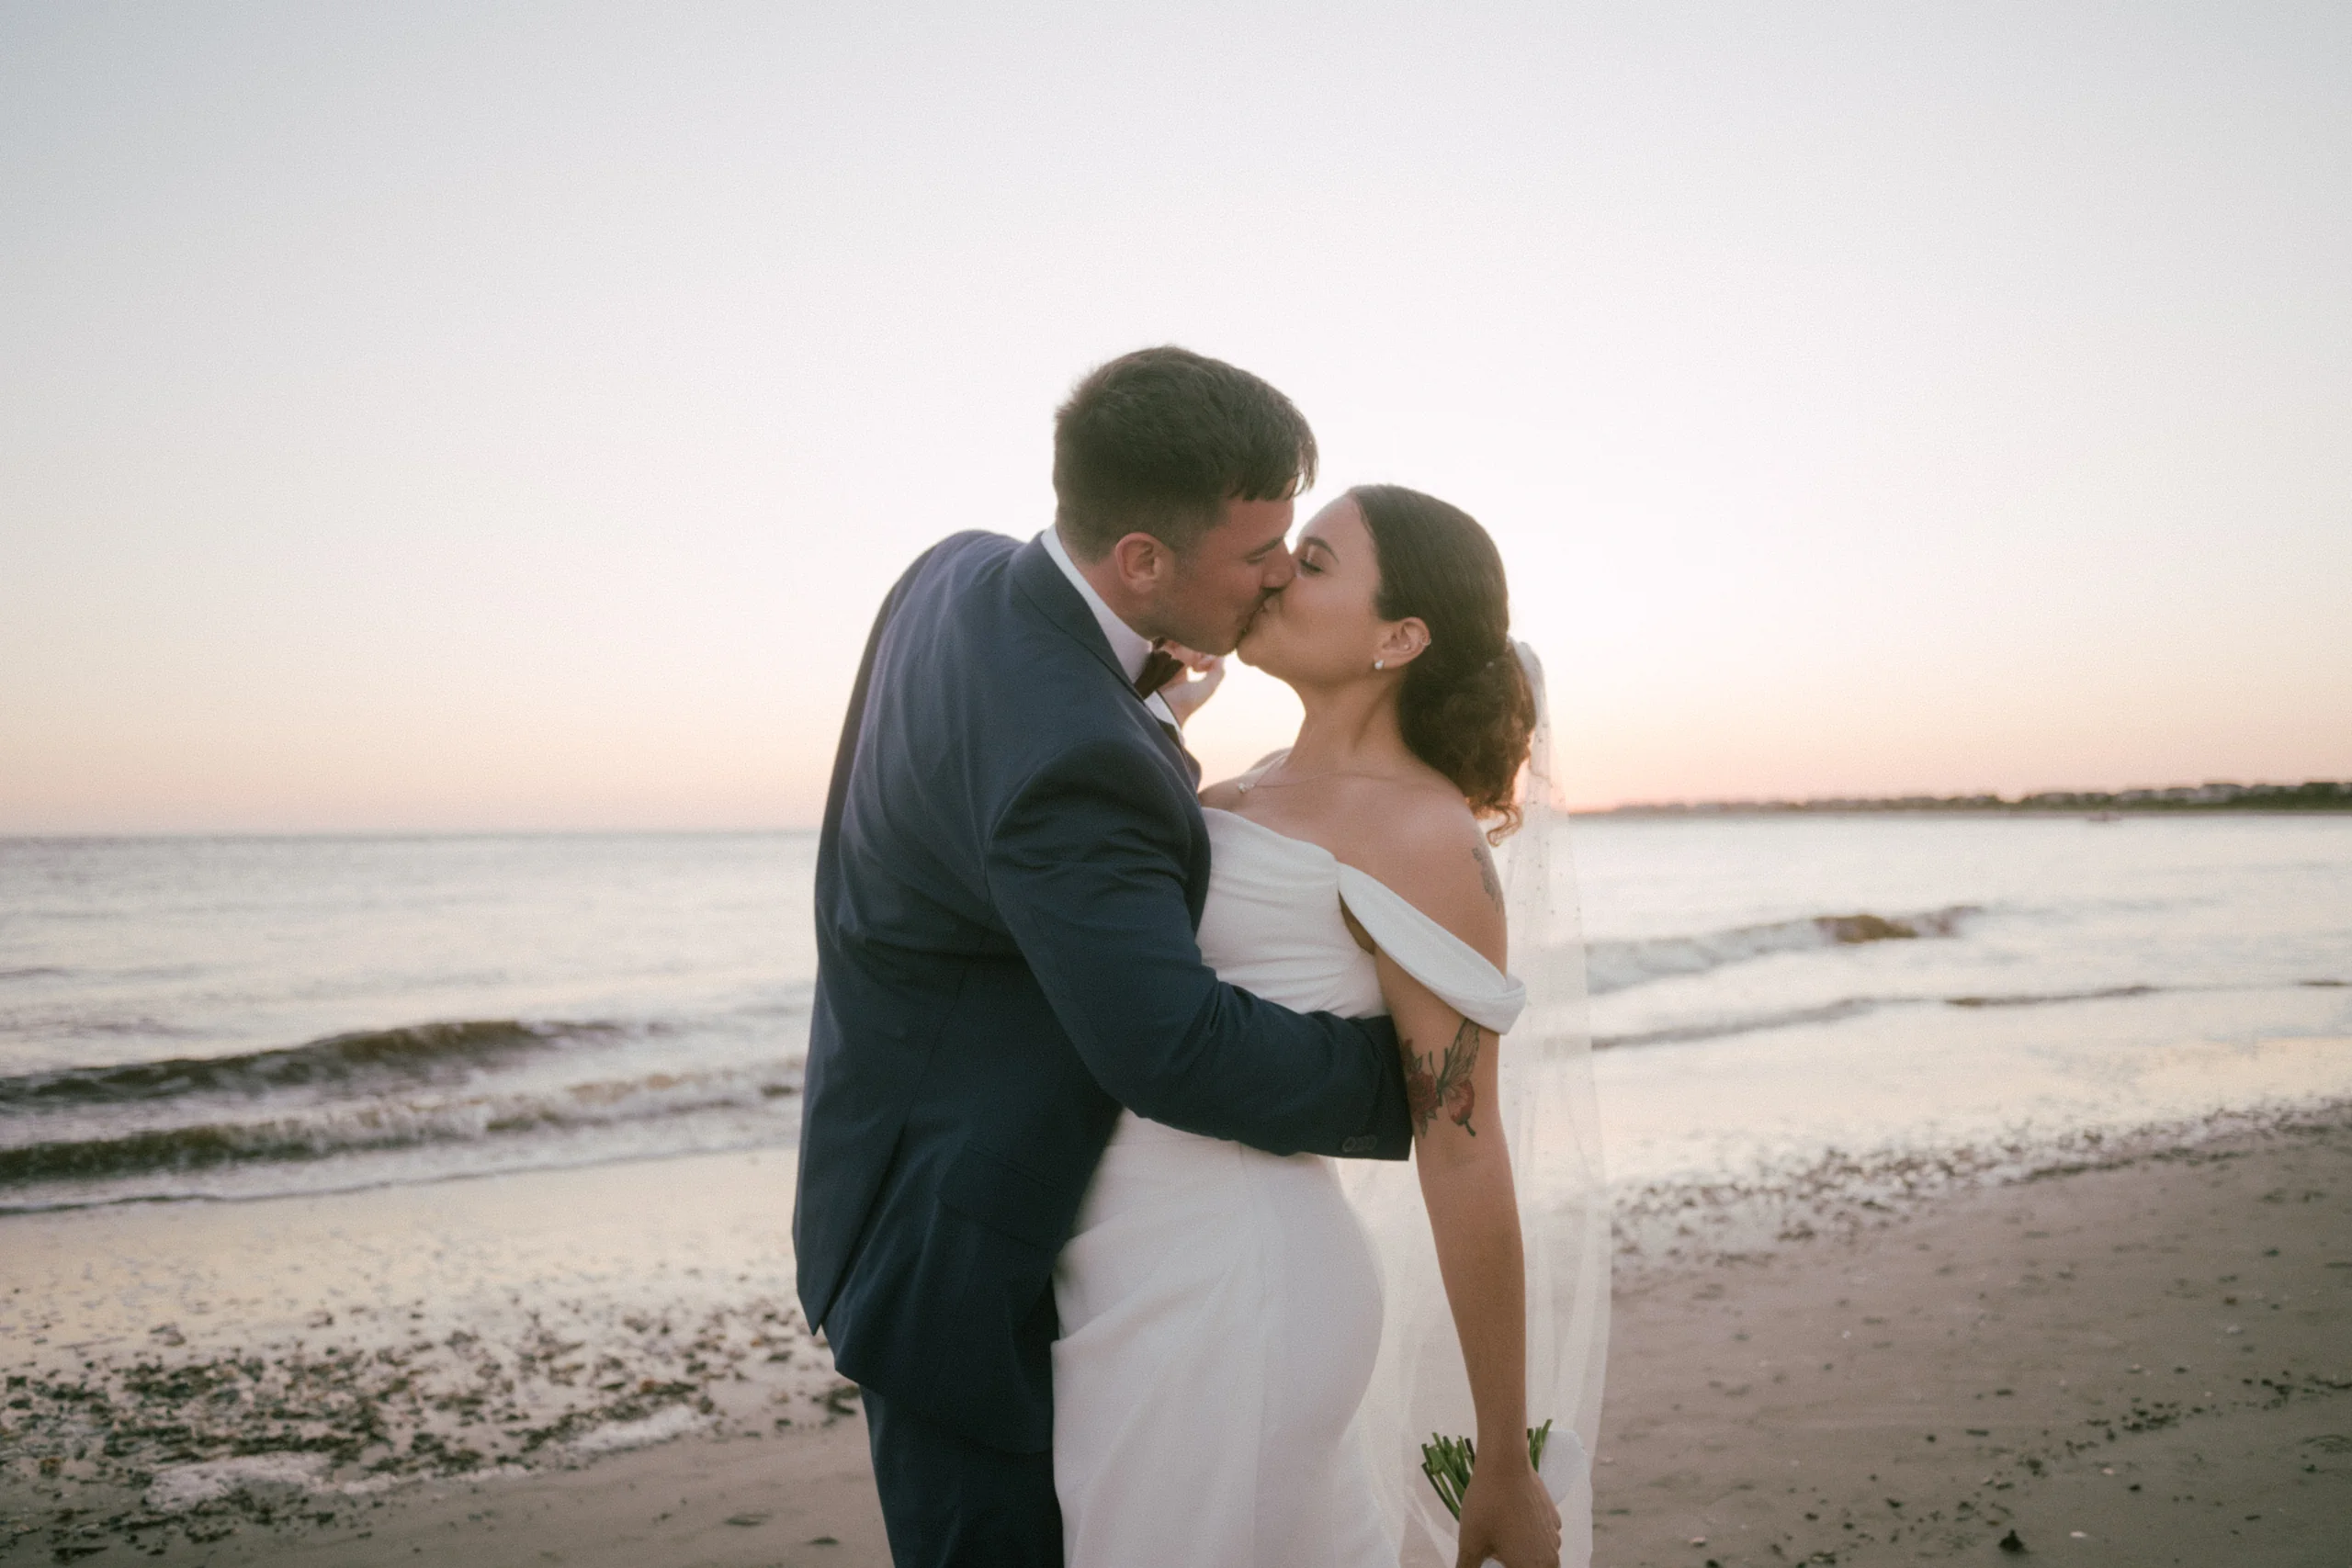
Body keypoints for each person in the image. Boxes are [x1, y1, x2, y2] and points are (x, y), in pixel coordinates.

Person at [794, 346, 1418, 1568]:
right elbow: (1170, 1047)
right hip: (966, 1261)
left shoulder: (953, 570)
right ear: (1140, 559)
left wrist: (1145, 713)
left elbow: (992, 769)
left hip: (870, 1176)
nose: (1283, 569)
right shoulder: (1075, 761)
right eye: (1255, 553)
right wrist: (1407, 1074)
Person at [1050, 484, 1577, 1568]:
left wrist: (1502, 1459)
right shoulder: (1242, 786)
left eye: (1319, 561)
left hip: (1237, 1283)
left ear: (1400, 637)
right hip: (1121, 1261)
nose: (1279, 569)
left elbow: (1464, 1152)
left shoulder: (1426, 837)